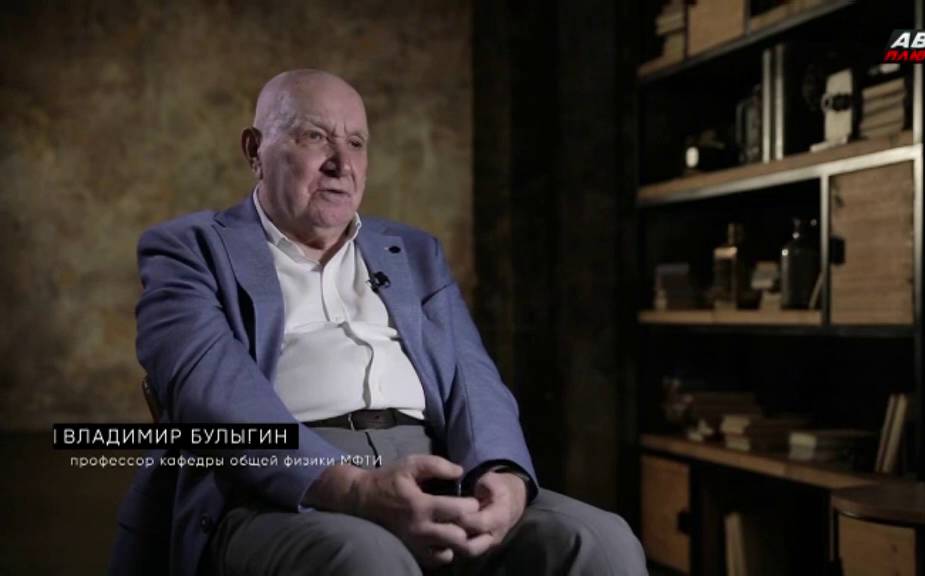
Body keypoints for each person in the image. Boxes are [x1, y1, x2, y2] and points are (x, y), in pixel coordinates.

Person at [110, 69, 647, 576]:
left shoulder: (414, 252)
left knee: (600, 541)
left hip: (436, 471)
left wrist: (502, 473)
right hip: (279, 491)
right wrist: (353, 489)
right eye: (315, 137)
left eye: (356, 143)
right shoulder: (190, 250)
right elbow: (211, 396)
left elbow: (474, 381)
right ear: (255, 151)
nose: (341, 163)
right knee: (365, 559)